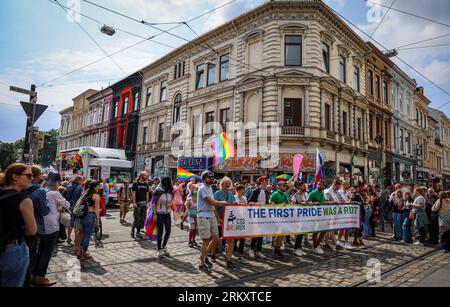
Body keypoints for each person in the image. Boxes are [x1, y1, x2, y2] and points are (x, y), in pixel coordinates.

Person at [0, 163, 37, 287]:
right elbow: (32, 230)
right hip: (13, 249)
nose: (32, 178)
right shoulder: (24, 200)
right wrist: (15, 230)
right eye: (28, 175)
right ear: (15, 177)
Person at [32, 173, 69, 286]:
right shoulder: (54, 193)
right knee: (46, 253)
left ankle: (34, 276)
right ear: (57, 182)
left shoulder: (42, 191)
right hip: (52, 226)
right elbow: (67, 204)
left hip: (41, 225)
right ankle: (41, 278)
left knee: (40, 252)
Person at [23, 166, 50, 287]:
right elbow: (45, 211)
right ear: (37, 176)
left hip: (20, 227)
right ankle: (27, 281)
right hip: (34, 226)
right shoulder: (39, 191)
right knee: (31, 256)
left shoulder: (20, 189)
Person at [197, 171, 227, 272]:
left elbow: (213, 206)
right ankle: (202, 262)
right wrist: (222, 203)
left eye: (212, 177)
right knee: (206, 240)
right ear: (205, 178)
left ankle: (204, 256)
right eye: (210, 177)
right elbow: (211, 202)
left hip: (211, 215)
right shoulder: (202, 189)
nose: (212, 179)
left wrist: (217, 217)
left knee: (215, 238)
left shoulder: (210, 188)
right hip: (203, 216)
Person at [213, 176, 236, 268]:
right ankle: (213, 254)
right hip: (218, 219)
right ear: (221, 185)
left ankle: (229, 259)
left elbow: (232, 205)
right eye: (225, 185)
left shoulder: (230, 194)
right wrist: (218, 218)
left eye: (228, 185)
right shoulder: (217, 193)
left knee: (230, 240)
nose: (227, 187)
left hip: (228, 220)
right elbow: (213, 206)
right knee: (216, 239)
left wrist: (235, 204)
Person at [247, 176, 270, 258]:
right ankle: (251, 249)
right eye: (265, 180)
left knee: (261, 232)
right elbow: (249, 202)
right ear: (261, 182)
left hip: (263, 214)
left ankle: (259, 250)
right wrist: (258, 205)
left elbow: (267, 203)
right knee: (255, 232)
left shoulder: (267, 192)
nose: (267, 182)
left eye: (267, 180)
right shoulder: (255, 191)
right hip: (256, 214)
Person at [151, 177, 174, 258]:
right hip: (159, 213)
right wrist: (154, 214)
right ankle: (159, 249)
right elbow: (153, 203)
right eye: (168, 182)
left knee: (168, 230)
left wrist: (170, 204)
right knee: (160, 231)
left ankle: (164, 246)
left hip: (167, 213)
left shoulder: (170, 190)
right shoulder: (158, 190)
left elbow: (172, 200)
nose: (169, 183)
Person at [79, 181, 101, 260]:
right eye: (99, 186)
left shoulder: (85, 194)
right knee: (87, 235)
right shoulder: (96, 196)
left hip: (82, 216)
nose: (99, 187)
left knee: (84, 234)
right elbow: (97, 209)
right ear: (95, 187)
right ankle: (84, 254)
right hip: (90, 216)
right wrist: (98, 219)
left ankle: (80, 251)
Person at [269, 181, 291, 258]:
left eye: (285, 185)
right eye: (283, 185)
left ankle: (278, 248)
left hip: (285, 217)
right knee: (278, 233)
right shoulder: (275, 194)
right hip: (277, 217)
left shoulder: (285, 194)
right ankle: (276, 249)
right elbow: (270, 204)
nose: (285, 187)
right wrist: (279, 205)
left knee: (282, 233)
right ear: (279, 186)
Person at [307, 181, 327, 254]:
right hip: (315, 214)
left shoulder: (322, 192)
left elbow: (323, 202)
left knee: (324, 230)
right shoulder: (313, 193)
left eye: (321, 184)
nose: (319, 186)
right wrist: (315, 203)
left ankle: (317, 244)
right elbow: (307, 202)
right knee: (315, 231)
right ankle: (315, 246)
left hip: (322, 213)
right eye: (318, 184)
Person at [64, 176, 84, 244]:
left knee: (71, 222)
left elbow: (64, 196)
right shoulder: (80, 188)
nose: (82, 182)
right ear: (78, 180)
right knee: (77, 223)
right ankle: (76, 238)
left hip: (70, 206)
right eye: (81, 180)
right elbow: (82, 198)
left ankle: (68, 237)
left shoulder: (69, 187)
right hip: (77, 206)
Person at [290, 182, 308, 256]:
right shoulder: (295, 195)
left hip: (304, 216)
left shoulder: (305, 194)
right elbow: (292, 205)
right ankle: (296, 248)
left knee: (302, 232)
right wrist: (300, 204)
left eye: (304, 186)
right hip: (297, 217)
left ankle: (299, 248)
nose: (304, 187)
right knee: (298, 232)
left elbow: (306, 202)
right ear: (298, 187)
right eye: (303, 186)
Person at [131, 171, 150, 239]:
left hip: (144, 203)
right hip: (137, 203)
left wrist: (147, 203)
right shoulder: (136, 184)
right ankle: (133, 230)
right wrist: (134, 202)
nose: (146, 177)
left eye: (146, 176)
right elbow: (133, 193)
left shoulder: (146, 184)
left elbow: (147, 194)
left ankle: (138, 232)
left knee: (142, 219)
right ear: (141, 176)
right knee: (137, 218)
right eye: (145, 176)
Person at [336, 180, 354, 250]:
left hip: (347, 212)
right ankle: (339, 241)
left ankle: (345, 242)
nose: (348, 185)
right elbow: (345, 202)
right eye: (347, 184)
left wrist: (351, 198)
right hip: (341, 212)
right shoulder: (339, 192)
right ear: (343, 185)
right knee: (341, 228)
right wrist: (350, 198)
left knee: (346, 228)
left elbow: (349, 202)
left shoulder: (347, 192)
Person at [233, 184, 247, 258]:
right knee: (235, 234)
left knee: (242, 236)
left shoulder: (244, 198)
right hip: (236, 218)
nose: (243, 191)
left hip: (243, 218)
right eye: (242, 190)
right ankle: (234, 248)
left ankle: (241, 252)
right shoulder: (234, 197)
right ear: (238, 190)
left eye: (243, 190)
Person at [185, 179, 199, 248]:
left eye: (193, 186)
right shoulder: (189, 196)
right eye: (190, 186)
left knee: (195, 228)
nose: (192, 187)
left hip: (197, 213)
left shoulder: (197, 194)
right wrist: (188, 202)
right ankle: (189, 241)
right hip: (191, 213)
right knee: (192, 228)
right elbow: (186, 205)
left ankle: (193, 240)